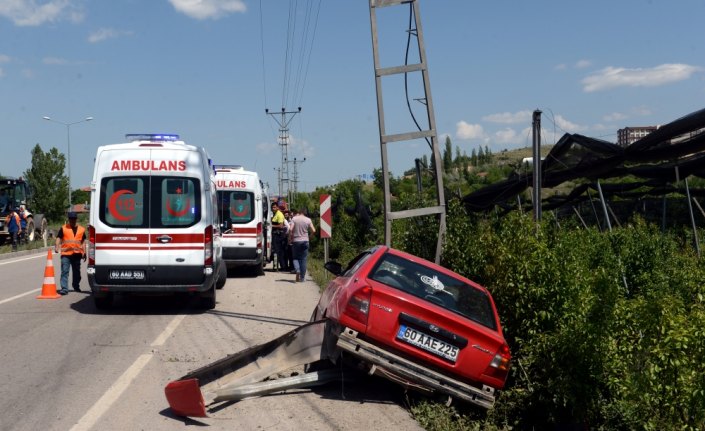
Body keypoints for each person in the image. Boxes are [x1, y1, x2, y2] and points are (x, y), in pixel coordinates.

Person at [54, 211, 86, 295]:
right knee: (65, 271)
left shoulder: (81, 229)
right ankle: (64, 288)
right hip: (66, 254)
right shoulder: (64, 228)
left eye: (74, 219)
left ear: (76, 219)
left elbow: (83, 242)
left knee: (77, 272)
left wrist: (84, 252)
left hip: (77, 254)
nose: (72, 220)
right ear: (68, 219)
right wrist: (56, 246)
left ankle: (76, 286)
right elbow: (58, 238)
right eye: (71, 219)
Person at [288, 207, 316, 282]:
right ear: (305, 213)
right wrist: (310, 237)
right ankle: (302, 278)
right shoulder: (308, 220)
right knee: (303, 259)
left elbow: (290, 229)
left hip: (296, 241)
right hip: (305, 241)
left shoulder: (294, 219)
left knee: (295, 258)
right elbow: (314, 230)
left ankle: (297, 270)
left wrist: (290, 238)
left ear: (299, 212)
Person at [270, 202, 286, 268]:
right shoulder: (274, 214)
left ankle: (280, 266)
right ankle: (277, 266)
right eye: (272, 207)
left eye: (274, 207)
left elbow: (281, 226)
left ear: (277, 207)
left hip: (278, 235)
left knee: (278, 251)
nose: (273, 208)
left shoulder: (279, 214)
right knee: (276, 250)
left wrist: (271, 225)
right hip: (275, 234)